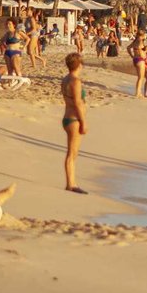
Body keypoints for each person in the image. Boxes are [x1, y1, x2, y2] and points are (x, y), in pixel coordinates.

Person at [60, 52, 88, 194]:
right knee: (72, 153)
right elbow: (77, 102)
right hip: (74, 119)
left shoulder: (65, 79)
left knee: (73, 152)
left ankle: (71, 182)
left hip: (68, 117)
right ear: (79, 65)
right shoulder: (75, 81)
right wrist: (83, 121)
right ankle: (71, 183)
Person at [128, 32, 147, 98]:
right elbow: (139, 47)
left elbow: (128, 48)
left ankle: (138, 92)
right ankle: (138, 92)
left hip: (136, 59)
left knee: (140, 77)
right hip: (140, 59)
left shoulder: (135, 41)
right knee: (141, 77)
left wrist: (132, 55)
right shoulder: (140, 41)